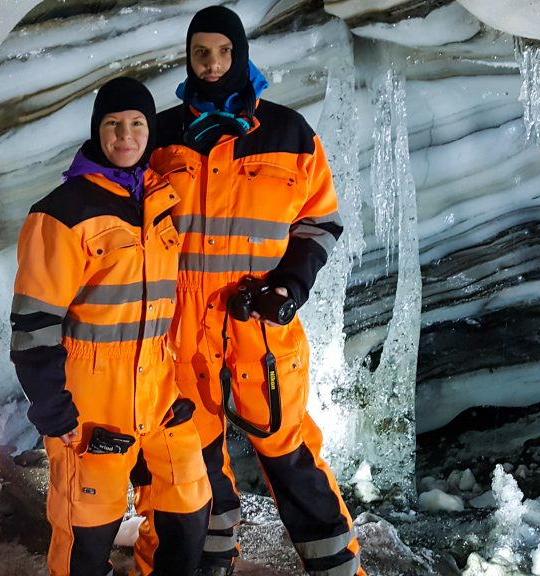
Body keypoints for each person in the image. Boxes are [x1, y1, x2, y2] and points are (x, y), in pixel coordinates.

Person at [148, 6, 366, 576]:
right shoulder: (161, 135)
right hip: (178, 326)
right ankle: (204, 562)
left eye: (223, 52)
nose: (213, 63)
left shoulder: (289, 132)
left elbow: (319, 222)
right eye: (202, 52)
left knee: (288, 451)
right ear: (189, 58)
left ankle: (339, 569)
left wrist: (290, 286)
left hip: (259, 323)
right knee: (186, 457)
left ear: (240, 55)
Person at [10, 76, 211, 576]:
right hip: (90, 407)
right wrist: (55, 412)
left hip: (161, 398)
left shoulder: (162, 203)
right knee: (85, 543)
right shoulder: (60, 213)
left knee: (187, 520)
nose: (126, 135)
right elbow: (33, 326)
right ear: (98, 131)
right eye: (114, 124)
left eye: (138, 124)